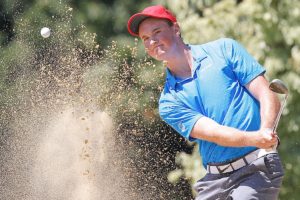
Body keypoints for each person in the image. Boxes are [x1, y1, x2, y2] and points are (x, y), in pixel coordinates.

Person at [127, 5, 284, 200]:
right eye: (145, 38)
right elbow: (214, 133)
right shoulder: (169, 102)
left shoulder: (225, 49)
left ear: (176, 29)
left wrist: (266, 131)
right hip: (214, 180)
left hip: (257, 168)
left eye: (157, 32)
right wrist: (256, 137)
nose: (152, 41)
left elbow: (266, 94)